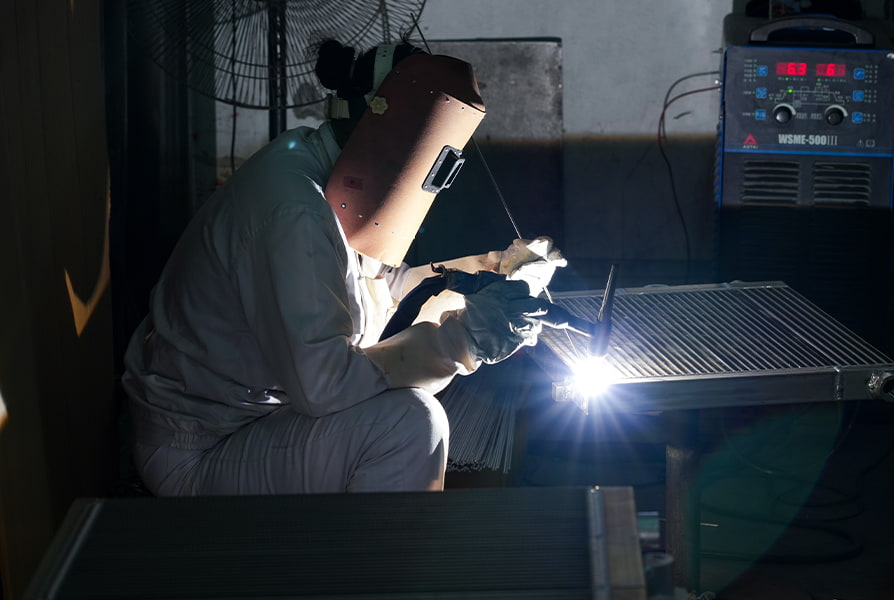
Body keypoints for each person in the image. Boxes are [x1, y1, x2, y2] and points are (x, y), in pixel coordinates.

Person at [121, 39, 566, 496]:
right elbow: (325, 386)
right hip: (200, 448)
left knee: (404, 396)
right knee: (409, 424)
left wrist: (492, 269)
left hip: (256, 423)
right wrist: (464, 340)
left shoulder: (327, 174)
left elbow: (378, 284)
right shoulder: (295, 209)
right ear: (391, 126)